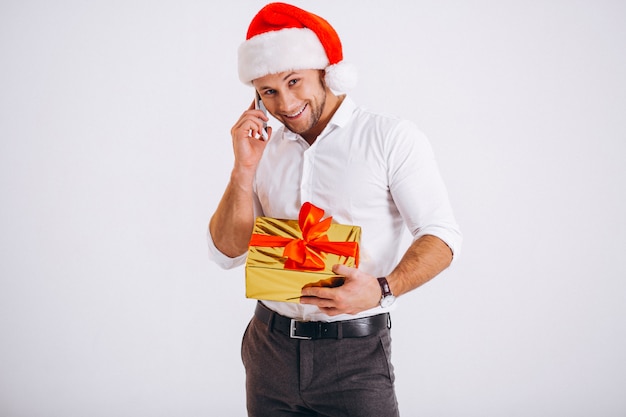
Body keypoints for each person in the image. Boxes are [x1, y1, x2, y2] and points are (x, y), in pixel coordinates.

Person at [207, 3, 462, 416]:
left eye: (294, 81)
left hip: (354, 356)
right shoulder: (262, 147)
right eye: (268, 91)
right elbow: (228, 252)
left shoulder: (391, 138)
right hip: (268, 348)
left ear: (326, 71)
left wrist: (383, 287)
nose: (285, 103)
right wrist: (243, 169)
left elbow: (442, 235)